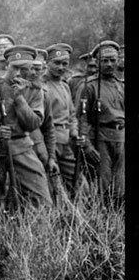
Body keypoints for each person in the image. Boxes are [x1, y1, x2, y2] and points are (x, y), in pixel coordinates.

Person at [0, 44, 50, 208]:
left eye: (24, 69)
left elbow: (34, 124)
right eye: (14, 68)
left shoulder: (35, 90)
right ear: (6, 66)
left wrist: (19, 98)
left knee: (41, 197)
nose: (18, 74)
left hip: (22, 145)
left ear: (31, 68)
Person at [77, 40, 124, 204]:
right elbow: (81, 118)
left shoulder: (121, 85)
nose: (109, 64)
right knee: (102, 186)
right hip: (100, 138)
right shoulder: (89, 86)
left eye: (113, 60)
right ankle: (100, 222)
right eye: (105, 60)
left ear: (118, 60)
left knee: (121, 186)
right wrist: (87, 145)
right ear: (97, 62)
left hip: (121, 138)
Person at [42, 43, 79, 196]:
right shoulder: (42, 85)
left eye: (65, 64)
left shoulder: (65, 85)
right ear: (47, 63)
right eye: (56, 63)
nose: (61, 67)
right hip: (49, 140)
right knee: (52, 184)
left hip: (66, 141)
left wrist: (75, 132)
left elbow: (71, 114)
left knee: (76, 181)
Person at [27, 49, 58, 200]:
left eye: (37, 69)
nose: (33, 73)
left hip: (38, 149)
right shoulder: (13, 90)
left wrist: (51, 157)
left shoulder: (44, 94)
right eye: (30, 68)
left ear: (43, 70)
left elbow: (48, 128)